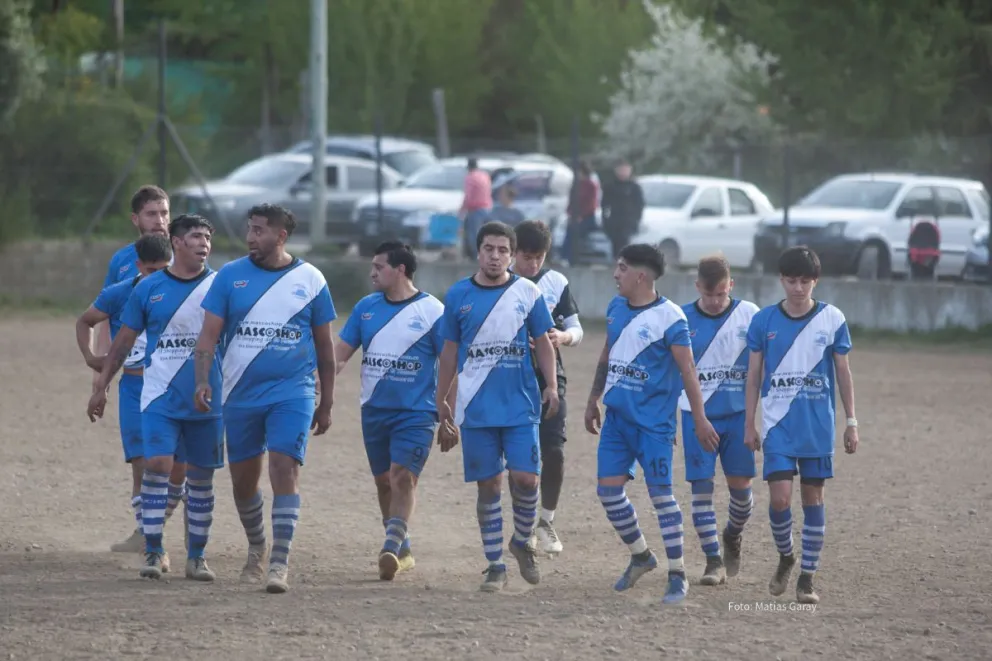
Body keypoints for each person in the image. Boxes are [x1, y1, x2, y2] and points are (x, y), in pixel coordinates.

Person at [194, 203, 337, 594]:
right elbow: (207, 337)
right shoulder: (229, 277)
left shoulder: (311, 280)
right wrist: (203, 379)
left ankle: (279, 561)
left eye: (259, 230)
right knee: (243, 481)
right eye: (250, 229)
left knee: (284, 467)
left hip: (293, 391)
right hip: (239, 392)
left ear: (281, 236)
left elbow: (326, 348)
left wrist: (326, 402)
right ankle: (257, 545)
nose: (251, 237)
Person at [87, 214, 224, 582]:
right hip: (158, 395)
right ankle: (153, 549)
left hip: (207, 398)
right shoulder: (148, 289)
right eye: (196, 236)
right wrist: (101, 387)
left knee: (200, 477)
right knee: (158, 465)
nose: (204, 243)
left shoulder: (220, 286)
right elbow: (123, 343)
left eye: (208, 237)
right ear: (177, 242)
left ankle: (196, 557)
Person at [584, 243, 719, 606]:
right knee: (608, 494)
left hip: (654, 427)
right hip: (617, 422)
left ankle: (677, 574)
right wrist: (592, 398)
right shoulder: (615, 308)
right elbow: (607, 353)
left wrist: (700, 418)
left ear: (641, 275)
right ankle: (642, 555)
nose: (616, 274)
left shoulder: (671, 318)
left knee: (662, 497)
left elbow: (688, 371)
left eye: (622, 268)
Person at [435, 221, 560, 592]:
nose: (495, 256)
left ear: (512, 254)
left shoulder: (527, 292)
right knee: (488, 485)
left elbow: (542, 341)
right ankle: (494, 566)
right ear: (479, 251)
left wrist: (551, 385)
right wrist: (442, 404)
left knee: (527, 479)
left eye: (503, 250)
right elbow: (448, 354)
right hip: (475, 408)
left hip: (520, 404)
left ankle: (522, 541)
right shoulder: (458, 295)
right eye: (489, 248)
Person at [743, 245, 859, 605]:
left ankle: (807, 578)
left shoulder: (832, 319)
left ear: (815, 281)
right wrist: (750, 422)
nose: (797, 287)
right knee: (779, 500)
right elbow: (753, 375)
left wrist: (851, 422)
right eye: (791, 280)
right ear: (781, 280)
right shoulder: (763, 321)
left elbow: (843, 372)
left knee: (813, 498)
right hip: (778, 426)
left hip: (817, 428)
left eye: (805, 281)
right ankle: (786, 555)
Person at [335, 241, 450, 581]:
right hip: (373, 411)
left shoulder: (433, 312)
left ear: (400, 270)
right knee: (384, 482)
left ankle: (389, 547)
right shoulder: (365, 308)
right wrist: (316, 384)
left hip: (416, 412)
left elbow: (450, 366)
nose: (372, 272)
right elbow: (340, 354)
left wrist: (448, 414)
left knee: (403, 476)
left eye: (379, 266)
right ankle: (404, 547)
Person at [75, 234, 181, 568]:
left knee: (177, 472)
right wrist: (94, 361)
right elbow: (85, 320)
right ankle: (154, 544)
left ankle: (151, 532)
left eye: (164, 270)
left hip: (172, 388)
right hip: (135, 388)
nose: (157, 277)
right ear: (138, 267)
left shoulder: (185, 291)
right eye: (151, 270)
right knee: (144, 467)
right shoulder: (121, 293)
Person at [94, 185, 188, 554]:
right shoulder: (121, 262)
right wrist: (101, 367)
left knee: (178, 466)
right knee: (142, 462)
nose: (160, 221)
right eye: (152, 214)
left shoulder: (189, 257)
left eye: (164, 213)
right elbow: (105, 315)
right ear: (136, 219)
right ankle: (148, 535)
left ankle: (157, 525)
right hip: (133, 376)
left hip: (174, 377)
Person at [679, 255, 760, 586]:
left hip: (739, 416)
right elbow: (673, 373)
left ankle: (732, 534)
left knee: (741, 492)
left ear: (731, 286)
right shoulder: (681, 319)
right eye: (708, 294)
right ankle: (713, 560)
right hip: (695, 417)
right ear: (697, 286)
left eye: (721, 295)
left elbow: (760, 369)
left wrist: (757, 420)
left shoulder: (750, 315)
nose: (714, 302)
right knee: (702, 487)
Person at [509, 220, 583, 555]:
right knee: (517, 456)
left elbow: (576, 328)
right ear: (514, 253)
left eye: (539, 257)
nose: (533, 264)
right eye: (526, 256)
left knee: (553, 450)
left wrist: (563, 337)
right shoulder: (499, 282)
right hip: (508, 378)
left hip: (550, 377)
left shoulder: (556, 282)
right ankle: (522, 523)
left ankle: (546, 521)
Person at [600, 159, 645, 260]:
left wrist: (636, 220)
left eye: (625, 170)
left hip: (628, 221)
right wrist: (605, 220)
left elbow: (639, 205)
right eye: (620, 169)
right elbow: (604, 205)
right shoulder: (609, 186)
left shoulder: (634, 187)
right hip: (614, 221)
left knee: (625, 244)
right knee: (615, 245)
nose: (623, 172)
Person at [562, 161, 599, 265]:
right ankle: (565, 257)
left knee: (574, 231)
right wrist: (570, 213)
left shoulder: (591, 185)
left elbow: (591, 204)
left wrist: (581, 216)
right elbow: (571, 202)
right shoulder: (576, 184)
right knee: (569, 230)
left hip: (587, 217)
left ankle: (570, 257)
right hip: (575, 217)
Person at [459, 157, 493, 259]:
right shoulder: (484, 175)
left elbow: (468, 196)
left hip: (475, 209)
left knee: (474, 235)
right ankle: (488, 254)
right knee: (486, 235)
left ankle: (476, 256)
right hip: (487, 208)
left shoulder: (470, 177)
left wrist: (462, 210)